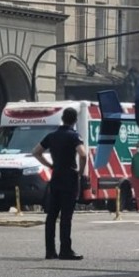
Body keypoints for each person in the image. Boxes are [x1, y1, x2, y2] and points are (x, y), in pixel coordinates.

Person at [32, 107, 87, 260]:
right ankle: (65, 249)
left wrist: (49, 164)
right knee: (66, 216)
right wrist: (80, 173)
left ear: (62, 119)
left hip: (56, 176)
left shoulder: (52, 136)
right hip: (69, 177)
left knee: (51, 215)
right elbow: (83, 154)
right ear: (75, 120)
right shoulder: (74, 136)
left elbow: (35, 151)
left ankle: (50, 250)